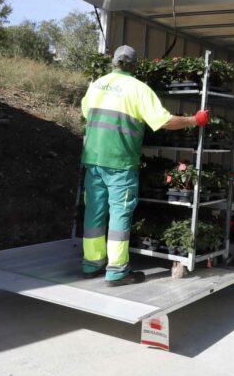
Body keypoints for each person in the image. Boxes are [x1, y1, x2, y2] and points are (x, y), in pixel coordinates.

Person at [80, 45, 209, 287]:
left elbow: (87, 112)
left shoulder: (96, 84)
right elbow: (165, 121)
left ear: (114, 62)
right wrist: (195, 119)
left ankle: (92, 263)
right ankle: (117, 271)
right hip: (120, 163)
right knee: (120, 214)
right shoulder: (138, 89)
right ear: (134, 65)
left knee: (94, 212)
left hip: (93, 160)